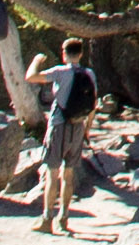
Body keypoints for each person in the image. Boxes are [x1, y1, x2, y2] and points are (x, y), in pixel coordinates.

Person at [27, 46, 101, 231]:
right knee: (68, 174)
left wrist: (37, 60)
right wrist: (87, 130)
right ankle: (64, 218)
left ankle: (47, 219)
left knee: (52, 174)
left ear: (64, 53)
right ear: (81, 54)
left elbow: (31, 77)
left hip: (58, 125)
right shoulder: (89, 73)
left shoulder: (60, 71)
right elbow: (93, 103)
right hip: (78, 126)